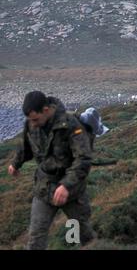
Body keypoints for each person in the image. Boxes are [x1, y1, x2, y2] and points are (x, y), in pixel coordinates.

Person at [7, 91, 95, 249]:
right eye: (30, 120)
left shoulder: (71, 124)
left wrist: (66, 185)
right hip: (44, 188)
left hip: (72, 192)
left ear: (46, 110)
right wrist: (15, 164)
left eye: (35, 119)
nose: (32, 124)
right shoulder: (31, 123)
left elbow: (83, 158)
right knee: (36, 237)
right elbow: (25, 148)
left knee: (82, 236)